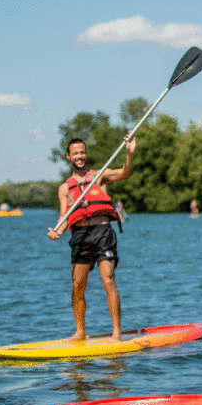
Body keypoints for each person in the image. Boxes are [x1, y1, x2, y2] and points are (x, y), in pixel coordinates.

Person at [47, 134, 136, 342]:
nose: (80, 156)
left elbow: (124, 172)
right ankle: (80, 332)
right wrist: (57, 232)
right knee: (78, 285)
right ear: (68, 157)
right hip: (80, 236)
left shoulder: (100, 176)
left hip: (102, 232)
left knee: (108, 280)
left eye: (82, 152)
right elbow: (64, 216)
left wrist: (129, 153)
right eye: (75, 153)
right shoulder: (64, 188)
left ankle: (116, 333)